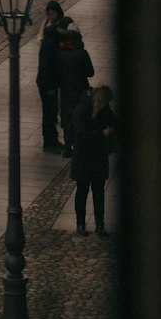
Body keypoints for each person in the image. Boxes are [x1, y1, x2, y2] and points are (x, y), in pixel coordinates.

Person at [71, 84, 116, 235]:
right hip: (84, 157)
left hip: (97, 157)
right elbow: (80, 133)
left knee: (98, 193)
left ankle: (100, 224)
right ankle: (80, 223)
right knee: (82, 191)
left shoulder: (104, 109)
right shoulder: (82, 109)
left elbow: (114, 122)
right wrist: (102, 134)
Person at [54, 17, 95, 157]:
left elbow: (57, 73)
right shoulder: (82, 53)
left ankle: (67, 148)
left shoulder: (60, 54)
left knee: (66, 118)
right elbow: (91, 72)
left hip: (65, 91)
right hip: (80, 91)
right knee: (80, 116)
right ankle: (78, 144)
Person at [36, 0, 67, 152]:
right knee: (49, 113)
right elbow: (46, 65)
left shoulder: (50, 39)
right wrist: (50, 86)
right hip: (47, 83)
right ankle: (49, 143)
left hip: (49, 81)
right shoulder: (50, 42)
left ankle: (52, 140)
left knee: (51, 112)